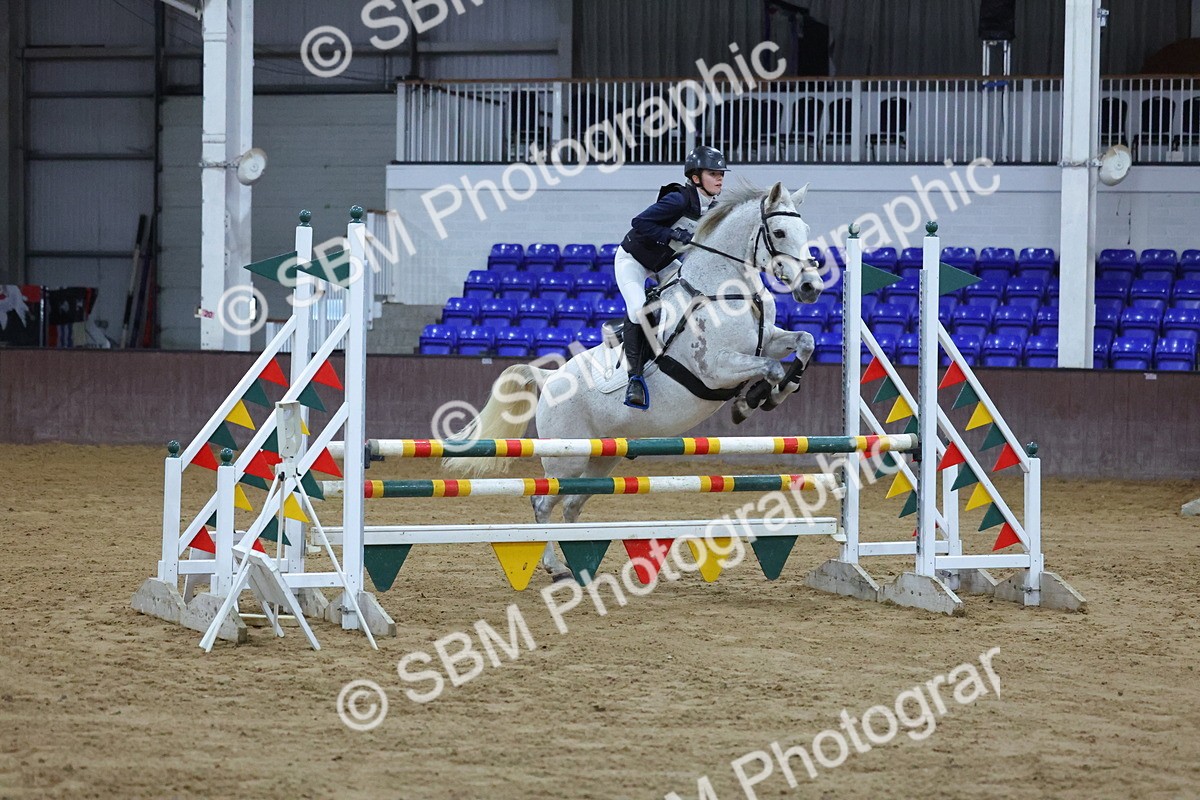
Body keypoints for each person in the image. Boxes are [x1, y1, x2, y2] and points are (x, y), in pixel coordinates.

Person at [614, 145, 728, 409]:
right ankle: (635, 379)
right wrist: (672, 235)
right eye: (713, 173)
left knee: (696, 298)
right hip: (633, 260)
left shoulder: (713, 208)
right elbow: (638, 222)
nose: (720, 178)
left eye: (721, 173)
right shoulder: (678, 200)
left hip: (665, 264)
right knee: (638, 309)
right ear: (696, 177)